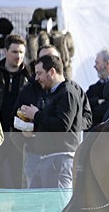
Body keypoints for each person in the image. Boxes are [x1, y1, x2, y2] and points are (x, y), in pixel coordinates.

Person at [17, 55, 88, 189]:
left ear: (52, 72)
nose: (36, 78)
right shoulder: (53, 92)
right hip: (47, 158)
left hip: (60, 160)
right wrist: (32, 128)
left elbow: (62, 125)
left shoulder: (67, 92)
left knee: (58, 205)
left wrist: (37, 115)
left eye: (39, 73)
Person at [0, 34, 31, 187]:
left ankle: (16, 209)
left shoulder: (30, 76)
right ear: (5, 51)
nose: (19, 56)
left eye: (22, 52)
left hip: (18, 134)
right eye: (15, 52)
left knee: (18, 175)